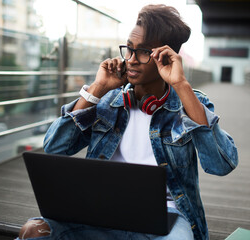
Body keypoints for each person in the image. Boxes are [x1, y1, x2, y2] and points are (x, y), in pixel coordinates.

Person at [17, 4, 238, 240]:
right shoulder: (107, 100)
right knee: (34, 232)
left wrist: (181, 86)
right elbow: (55, 147)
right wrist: (97, 89)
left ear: (166, 56)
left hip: (167, 216)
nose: (131, 60)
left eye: (143, 51)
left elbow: (221, 165)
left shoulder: (192, 103)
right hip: (100, 209)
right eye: (129, 49)